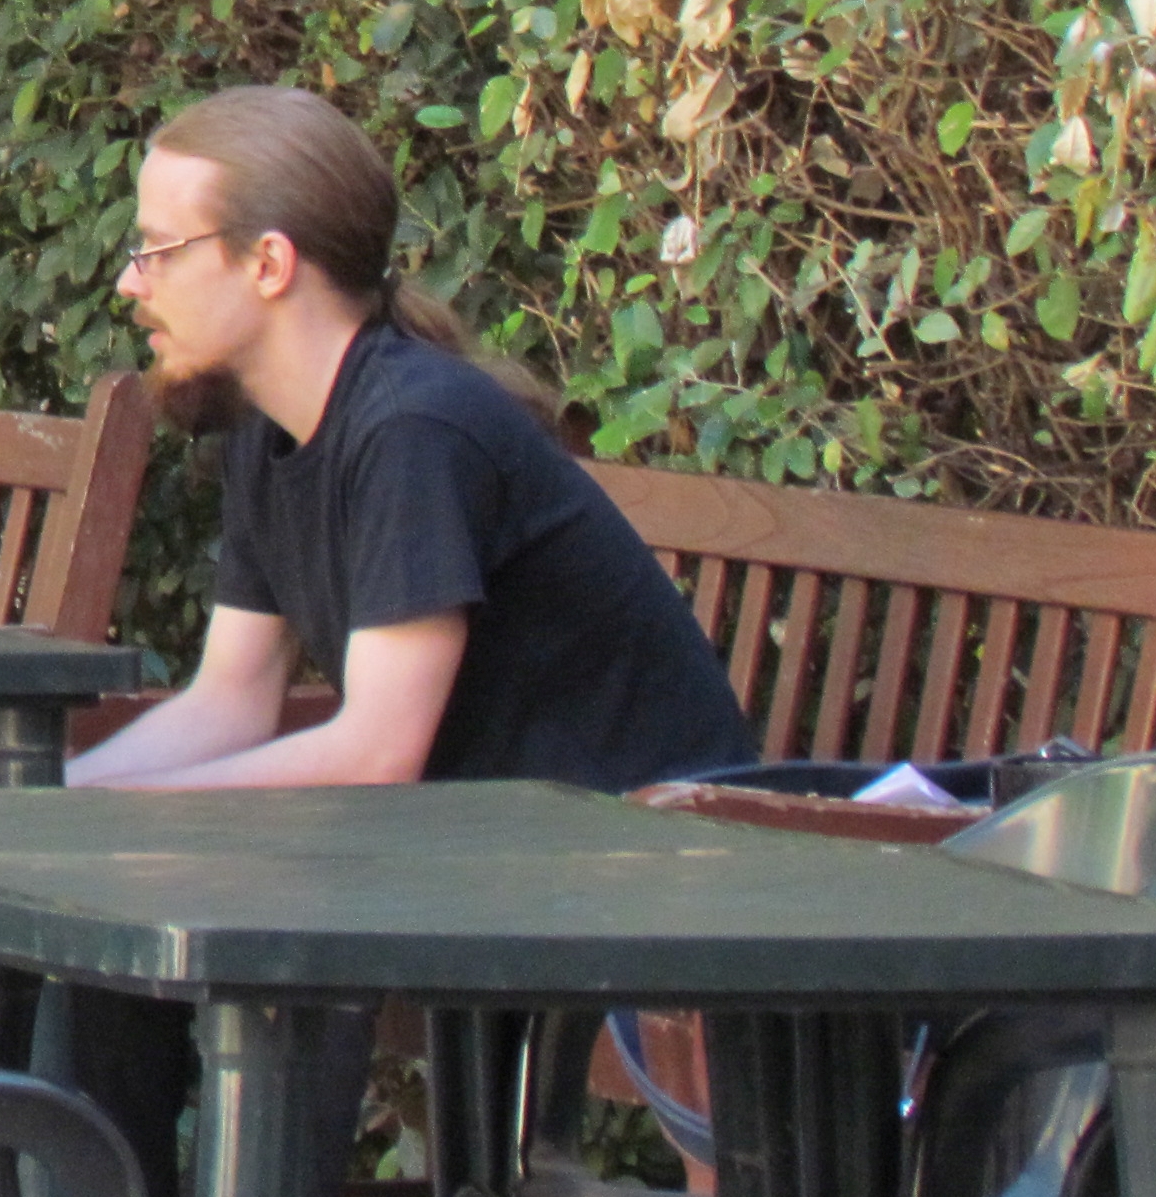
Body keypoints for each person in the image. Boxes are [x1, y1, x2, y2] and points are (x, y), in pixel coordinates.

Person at [70, 81, 752, 794]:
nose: (129, 282)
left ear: (269, 264)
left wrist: (109, 813)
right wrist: (40, 805)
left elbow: (376, 753)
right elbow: (228, 705)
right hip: (497, 857)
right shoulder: (266, 429)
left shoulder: (414, 432)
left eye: (160, 249)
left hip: (645, 861)